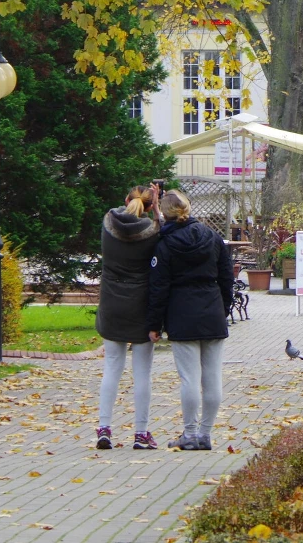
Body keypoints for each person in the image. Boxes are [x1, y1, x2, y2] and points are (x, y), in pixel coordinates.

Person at [147, 191, 234, 450]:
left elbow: (158, 287)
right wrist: (224, 308)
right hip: (212, 311)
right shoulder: (212, 237)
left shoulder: (164, 245)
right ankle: (206, 433)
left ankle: (189, 433)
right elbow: (226, 276)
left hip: (181, 312)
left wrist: (155, 323)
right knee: (213, 378)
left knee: (189, 379)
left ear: (165, 213)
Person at [95, 185, 163, 450]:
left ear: (125, 200)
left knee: (112, 367)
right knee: (142, 373)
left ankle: (104, 428)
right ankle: (141, 433)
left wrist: (148, 206)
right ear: (148, 206)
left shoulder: (107, 223)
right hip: (141, 306)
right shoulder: (153, 231)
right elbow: (166, 233)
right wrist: (158, 210)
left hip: (112, 303)